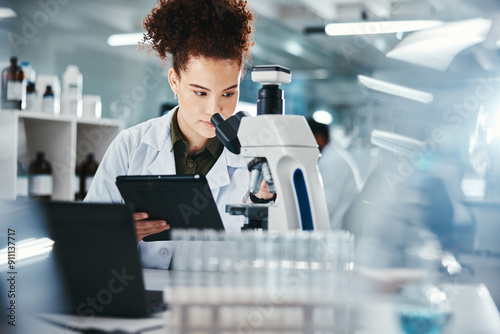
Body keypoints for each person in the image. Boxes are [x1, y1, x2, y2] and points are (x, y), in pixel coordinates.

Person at [85, 0, 273, 269]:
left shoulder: (258, 155)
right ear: (174, 81)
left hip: (217, 305)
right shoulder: (131, 146)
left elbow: (282, 251)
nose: (214, 110)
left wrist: (263, 201)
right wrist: (116, 234)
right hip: (140, 301)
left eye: (228, 93)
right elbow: (86, 238)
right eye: (200, 92)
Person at [307, 119, 362, 229]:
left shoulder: (334, 162)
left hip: (336, 232)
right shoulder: (330, 157)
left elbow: (325, 207)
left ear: (319, 138)